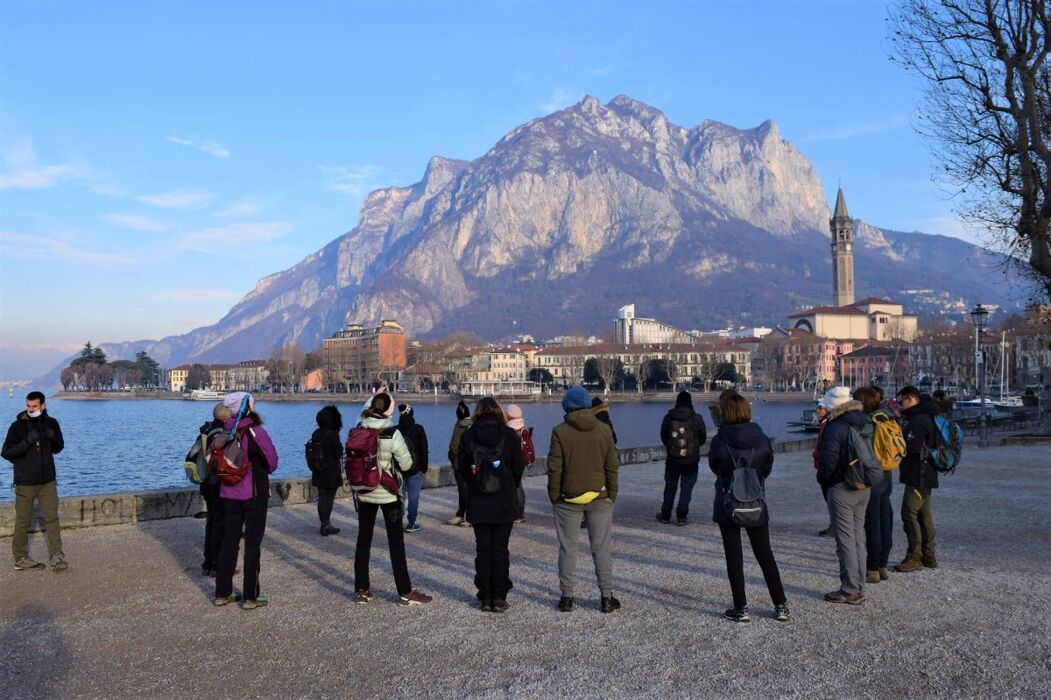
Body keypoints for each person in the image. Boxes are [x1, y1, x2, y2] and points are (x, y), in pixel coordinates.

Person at [708, 391, 788, 622]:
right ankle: (780, 605)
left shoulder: (720, 440)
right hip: (755, 499)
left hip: (728, 500)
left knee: (734, 555)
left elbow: (716, 466)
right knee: (765, 553)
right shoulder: (761, 438)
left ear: (725, 413)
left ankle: (741, 607)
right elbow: (767, 468)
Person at [352, 392, 432, 606]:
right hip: (388, 494)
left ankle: (362, 589)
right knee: (395, 543)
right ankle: (405, 591)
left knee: (363, 540)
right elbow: (407, 465)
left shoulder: (360, 428)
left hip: (365, 491)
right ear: (388, 410)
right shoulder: (392, 432)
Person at [547, 385, 621, 613]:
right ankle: (606, 597)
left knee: (568, 548)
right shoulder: (603, 430)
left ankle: (567, 597)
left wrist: (555, 495)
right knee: (601, 548)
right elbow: (612, 466)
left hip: (568, 499)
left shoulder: (560, 431)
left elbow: (554, 468)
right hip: (600, 496)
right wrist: (612, 494)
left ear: (567, 407)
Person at [458, 398, 528, 612]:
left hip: (479, 500)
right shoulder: (508, 434)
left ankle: (485, 596)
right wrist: (510, 483)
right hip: (504, 500)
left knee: (483, 549)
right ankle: (499, 595)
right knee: (500, 549)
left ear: (477, 413)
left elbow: (461, 467)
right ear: (499, 412)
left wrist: (475, 484)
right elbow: (519, 464)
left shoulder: (468, 435)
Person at [214, 392, 279, 610]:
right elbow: (272, 461)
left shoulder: (224, 431)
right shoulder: (255, 431)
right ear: (248, 408)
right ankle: (250, 595)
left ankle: (222, 592)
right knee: (253, 543)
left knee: (229, 541)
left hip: (229, 493)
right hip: (254, 493)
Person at [815, 386, 871, 605]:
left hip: (842, 487)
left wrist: (824, 480)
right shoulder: (861, 420)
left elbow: (828, 461)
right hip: (863, 484)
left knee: (845, 540)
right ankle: (859, 586)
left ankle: (849, 589)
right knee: (858, 538)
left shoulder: (835, 426)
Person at [2, 391, 67, 572]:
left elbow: (59, 447)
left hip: (48, 482)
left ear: (43, 406)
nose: (31, 409)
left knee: (52, 519)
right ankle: (20, 559)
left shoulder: (51, 423)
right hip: (25, 483)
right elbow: (6, 453)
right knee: (22, 521)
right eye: (28, 406)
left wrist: (51, 435)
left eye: (34, 406)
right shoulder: (17, 427)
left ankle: (57, 556)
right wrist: (27, 441)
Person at [894, 385, 941, 573]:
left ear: (912, 398)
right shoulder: (928, 415)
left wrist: (899, 439)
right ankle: (928, 555)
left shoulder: (918, 420)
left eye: (902, 400)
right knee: (924, 514)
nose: (900, 404)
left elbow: (912, 447)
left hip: (918, 474)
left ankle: (914, 556)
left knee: (909, 513)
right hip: (927, 473)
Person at [855, 387, 894, 584]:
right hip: (887, 472)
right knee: (885, 516)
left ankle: (873, 567)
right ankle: (883, 564)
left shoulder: (867, 424)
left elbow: (860, 449)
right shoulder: (887, 417)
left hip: (873, 473)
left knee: (872, 521)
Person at [658, 390, 707, 525]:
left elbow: (663, 437)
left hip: (673, 459)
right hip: (691, 460)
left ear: (677, 402)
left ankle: (665, 515)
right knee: (687, 488)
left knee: (670, 486)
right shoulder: (697, 418)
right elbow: (702, 439)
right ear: (690, 402)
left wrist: (671, 447)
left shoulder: (669, 417)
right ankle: (681, 516)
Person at [199, 403, 232, 576]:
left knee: (211, 523)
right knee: (220, 524)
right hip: (218, 484)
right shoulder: (221, 435)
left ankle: (207, 562)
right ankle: (216, 563)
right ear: (226, 417)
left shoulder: (207, 430)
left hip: (206, 484)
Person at [310, 405, 344, 536]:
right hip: (331, 471)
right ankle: (326, 524)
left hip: (318, 469)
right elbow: (339, 453)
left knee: (322, 497)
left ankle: (324, 523)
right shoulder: (333, 435)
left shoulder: (316, 433)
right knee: (329, 499)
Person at [398, 403, 429, 533]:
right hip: (415, 469)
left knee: (399, 495)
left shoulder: (396, 430)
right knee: (413, 497)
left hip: (399, 469)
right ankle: (411, 523)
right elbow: (424, 450)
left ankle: (397, 521)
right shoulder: (419, 429)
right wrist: (424, 468)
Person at [505, 404, 535, 523]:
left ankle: (517, 513)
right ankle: (520, 512)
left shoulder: (510, 428)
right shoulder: (522, 426)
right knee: (519, 485)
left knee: (515, 486)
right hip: (523, 460)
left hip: (514, 460)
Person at [447, 400, 473, 527]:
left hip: (460, 461)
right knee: (464, 487)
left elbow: (454, 445)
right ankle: (461, 514)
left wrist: (452, 456)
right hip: (467, 460)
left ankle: (469, 515)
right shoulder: (470, 423)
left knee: (464, 488)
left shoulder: (461, 425)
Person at [812, 404, 834, 537]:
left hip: (826, 468)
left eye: (821, 408)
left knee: (831, 498)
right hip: (823, 465)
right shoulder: (825, 424)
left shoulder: (828, 425)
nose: (818, 410)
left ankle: (835, 526)